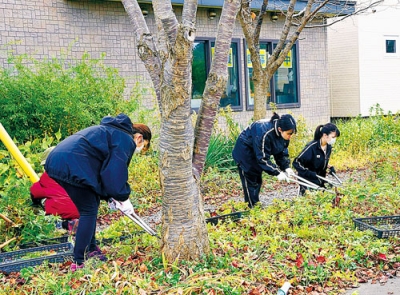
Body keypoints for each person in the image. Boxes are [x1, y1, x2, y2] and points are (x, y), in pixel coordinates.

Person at [45, 113, 151, 271]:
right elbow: (115, 174)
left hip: (56, 161)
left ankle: (91, 248)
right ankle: (79, 262)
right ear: (139, 138)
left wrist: (109, 196)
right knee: (88, 211)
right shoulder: (125, 139)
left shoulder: (109, 131)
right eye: (143, 146)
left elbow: (102, 172)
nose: (139, 149)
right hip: (72, 164)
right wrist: (122, 197)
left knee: (91, 204)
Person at [232, 112, 297, 208]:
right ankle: (252, 208)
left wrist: (286, 167)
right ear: (280, 129)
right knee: (251, 179)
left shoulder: (284, 134)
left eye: (292, 133)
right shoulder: (264, 133)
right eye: (289, 134)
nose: (290, 136)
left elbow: (281, 152)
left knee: (258, 179)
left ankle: (255, 205)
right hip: (245, 151)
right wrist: (277, 172)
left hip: (257, 151)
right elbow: (262, 158)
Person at [30, 147, 80, 233]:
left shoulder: (47, 177)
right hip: (81, 211)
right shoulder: (75, 172)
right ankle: (75, 221)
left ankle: (63, 224)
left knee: (41, 201)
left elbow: (34, 192)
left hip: (59, 213)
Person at [292, 123, 340, 195]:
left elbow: (320, 160)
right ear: (325, 135)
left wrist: (330, 167)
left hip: (319, 177)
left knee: (332, 191)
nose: (334, 139)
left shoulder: (328, 148)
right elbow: (296, 162)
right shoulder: (312, 147)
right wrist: (308, 173)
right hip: (308, 179)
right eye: (333, 137)